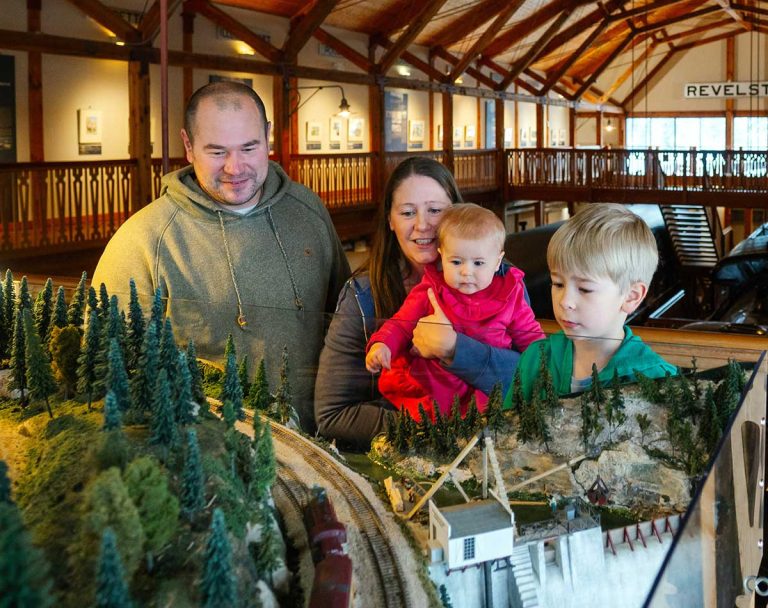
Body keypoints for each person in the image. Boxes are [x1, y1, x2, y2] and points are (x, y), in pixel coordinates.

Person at [92, 81, 350, 432]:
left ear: (268, 137)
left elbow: (346, 320)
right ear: (188, 146)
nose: (235, 167)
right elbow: (108, 367)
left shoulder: (309, 210)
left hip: (319, 438)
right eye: (217, 152)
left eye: (249, 148)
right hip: (206, 447)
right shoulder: (143, 239)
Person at [314, 157, 534, 448]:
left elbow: (534, 370)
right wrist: (437, 429)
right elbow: (332, 415)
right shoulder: (362, 295)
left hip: (490, 440)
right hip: (408, 444)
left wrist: (455, 349)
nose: (423, 225)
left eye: (435, 210)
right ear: (390, 221)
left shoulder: (504, 281)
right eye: (407, 212)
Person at [365, 203, 543, 420]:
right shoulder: (431, 289)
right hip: (439, 386)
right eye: (456, 262)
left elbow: (530, 336)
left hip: (486, 385)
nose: (467, 271)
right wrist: (382, 344)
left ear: (497, 262)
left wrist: (547, 362)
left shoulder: (510, 293)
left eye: (478, 263)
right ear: (442, 256)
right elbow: (402, 322)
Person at [503, 203, 677, 407]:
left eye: (585, 289)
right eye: (558, 284)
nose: (565, 301)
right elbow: (507, 424)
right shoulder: (535, 359)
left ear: (631, 297)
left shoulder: (658, 378)